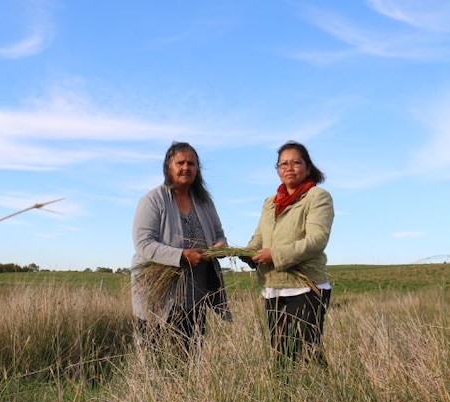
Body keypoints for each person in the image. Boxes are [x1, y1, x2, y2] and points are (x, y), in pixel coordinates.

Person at [131, 142, 232, 353]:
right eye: (180, 163)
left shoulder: (204, 202)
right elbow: (143, 244)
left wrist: (220, 246)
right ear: (168, 166)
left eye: (191, 163)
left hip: (196, 296)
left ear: (197, 169)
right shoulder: (152, 200)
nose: (186, 167)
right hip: (159, 297)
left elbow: (219, 234)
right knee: (154, 358)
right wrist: (181, 256)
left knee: (190, 356)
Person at [246, 141, 334, 363]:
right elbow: (260, 237)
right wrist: (246, 252)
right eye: (283, 164)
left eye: (296, 162)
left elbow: (316, 240)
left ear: (307, 167)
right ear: (277, 169)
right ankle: (284, 397)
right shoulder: (270, 202)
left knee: (308, 353)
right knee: (281, 356)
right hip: (273, 287)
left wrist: (274, 255)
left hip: (306, 287)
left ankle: (319, 396)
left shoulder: (317, 197)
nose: (289, 168)